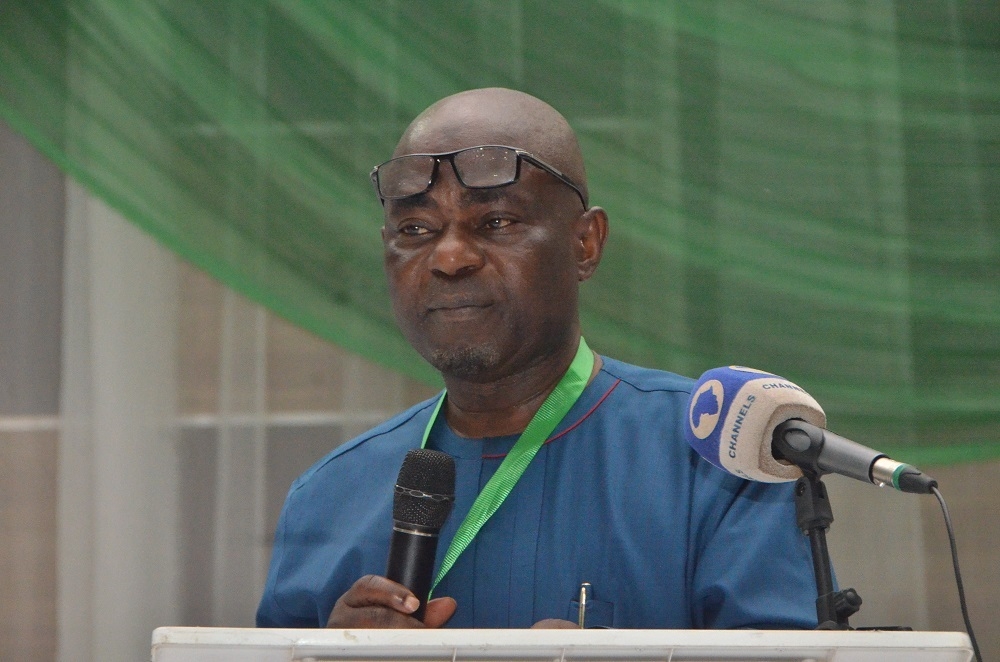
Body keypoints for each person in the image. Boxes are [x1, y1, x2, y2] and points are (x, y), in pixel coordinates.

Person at [256, 88, 818, 630]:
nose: (449, 257)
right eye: (416, 229)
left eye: (496, 223)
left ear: (585, 244)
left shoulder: (718, 455)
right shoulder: (328, 495)